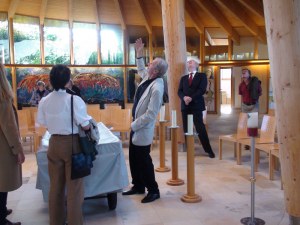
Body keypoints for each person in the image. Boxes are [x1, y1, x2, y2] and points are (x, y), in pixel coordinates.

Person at [37, 65, 91, 225]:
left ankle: (56, 221)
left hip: (53, 143)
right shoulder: (74, 99)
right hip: (72, 144)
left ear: (50, 81)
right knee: (74, 189)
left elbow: (43, 123)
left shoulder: (44, 101)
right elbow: (85, 125)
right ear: (68, 80)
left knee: (56, 187)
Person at [122, 38, 168, 203]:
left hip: (142, 127)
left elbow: (151, 114)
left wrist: (135, 124)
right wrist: (139, 53)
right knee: (134, 158)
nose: (148, 65)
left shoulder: (157, 87)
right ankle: (138, 186)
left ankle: (153, 190)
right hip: (137, 126)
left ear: (155, 71)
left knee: (144, 160)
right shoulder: (148, 78)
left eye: (151, 64)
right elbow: (141, 68)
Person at [0, 63, 25, 225]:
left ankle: (2, 209)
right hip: (4, 146)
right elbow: (9, 126)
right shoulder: (2, 96)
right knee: (3, 180)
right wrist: (18, 149)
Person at [178, 58, 215, 158]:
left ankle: (208, 150)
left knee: (200, 128)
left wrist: (191, 98)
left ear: (196, 64)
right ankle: (190, 149)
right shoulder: (183, 78)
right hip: (185, 106)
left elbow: (202, 90)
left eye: (191, 61)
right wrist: (184, 97)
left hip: (196, 105)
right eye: (187, 62)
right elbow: (179, 91)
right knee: (187, 128)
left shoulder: (202, 76)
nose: (188, 63)